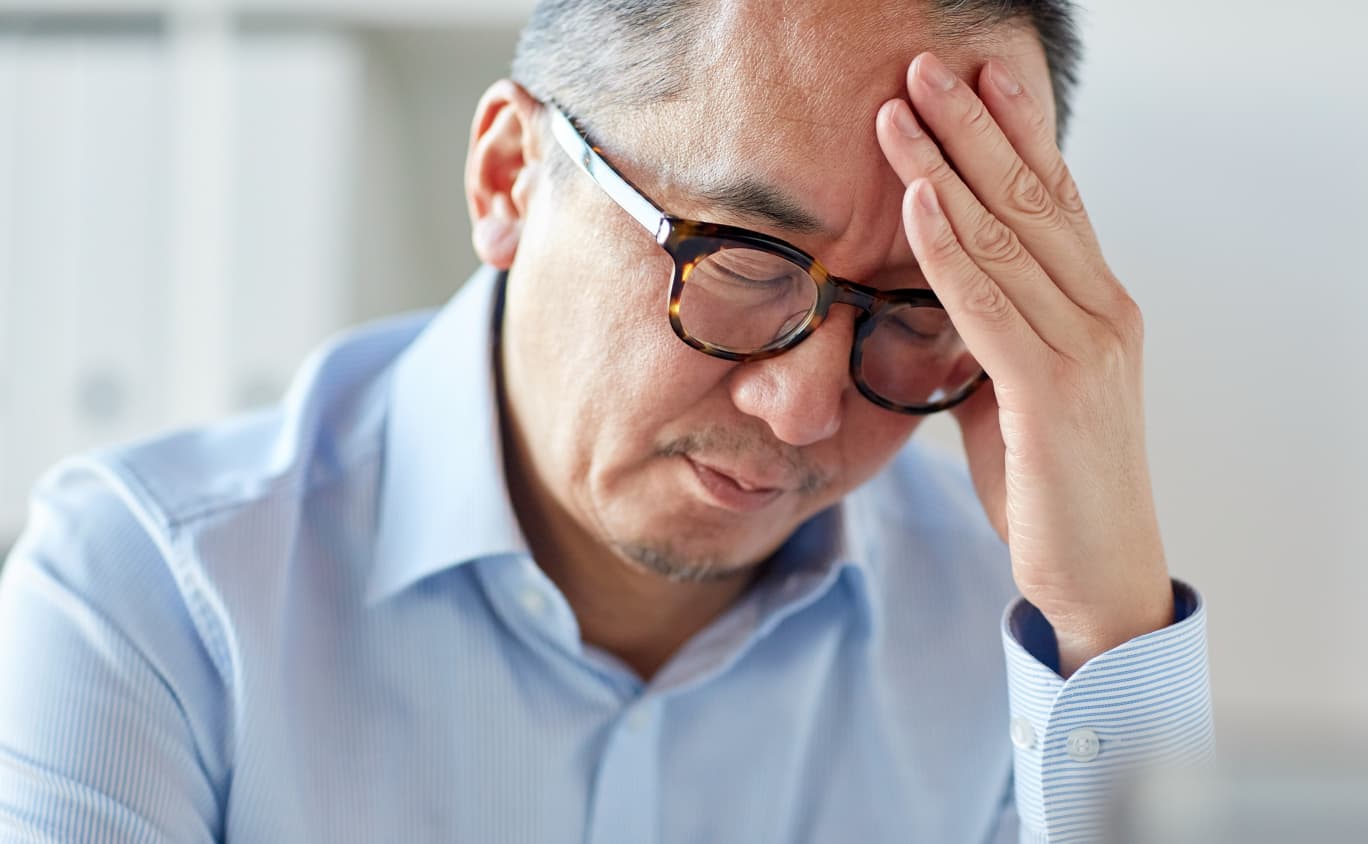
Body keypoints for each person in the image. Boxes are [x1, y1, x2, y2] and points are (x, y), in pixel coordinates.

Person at [0, 1, 1213, 841]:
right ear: (508, 177)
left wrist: (1106, 627)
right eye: (744, 260)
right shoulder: (152, 597)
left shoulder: (1008, 647)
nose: (801, 409)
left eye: (913, 308)